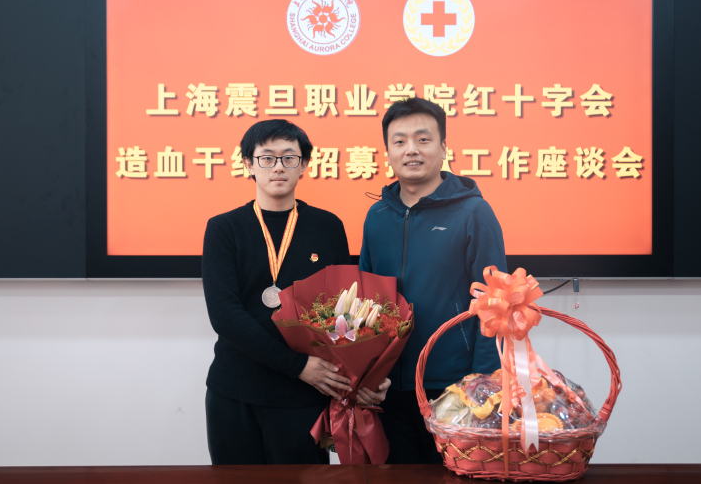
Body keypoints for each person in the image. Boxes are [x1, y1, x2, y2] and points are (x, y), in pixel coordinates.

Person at [202, 119, 390, 465]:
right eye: (267, 158)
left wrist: (367, 376)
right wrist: (297, 365)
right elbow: (225, 316)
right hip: (236, 391)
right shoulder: (223, 229)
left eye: (289, 157)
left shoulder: (327, 227)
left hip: (303, 397)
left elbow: (345, 313)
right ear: (248, 164)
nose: (278, 167)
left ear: (303, 165)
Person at [359, 97, 507, 464]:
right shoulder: (377, 215)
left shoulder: (473, 212)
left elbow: (495, 304)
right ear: (388, 152)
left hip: (453, 388)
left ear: (443, 148)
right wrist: (365, 374)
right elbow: (365, 302)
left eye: (423, 139)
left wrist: (482, 385)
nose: (411, 149)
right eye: (399, 141)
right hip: (388, 389)